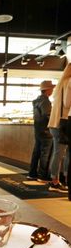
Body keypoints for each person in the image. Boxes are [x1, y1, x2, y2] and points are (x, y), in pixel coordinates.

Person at [47, 65, 71, 193]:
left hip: (54, 124)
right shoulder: (69, 82)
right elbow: (67, 104)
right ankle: (56, 181)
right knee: (62, 154)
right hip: (63, 123)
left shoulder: (60, 85)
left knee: (59, 154)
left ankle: (57, 180)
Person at [27, 80, 54, 182]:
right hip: (46, 130)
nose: (52, 90)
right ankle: (42, 175)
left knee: (37, 152)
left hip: (38, 129)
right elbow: (47, 115)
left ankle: (32, 173)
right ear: (47, 90)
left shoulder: (36, 100)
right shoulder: (45, 101)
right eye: (51, 88)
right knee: (45, 153)